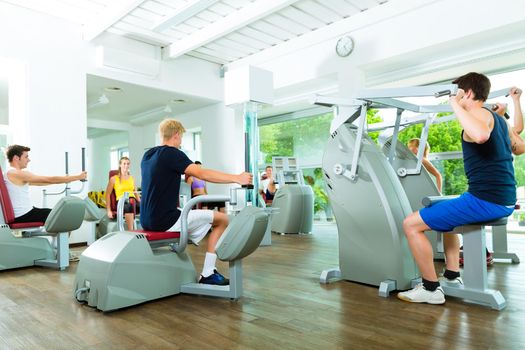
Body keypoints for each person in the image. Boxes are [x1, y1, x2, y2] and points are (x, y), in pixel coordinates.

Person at [398, 72, 517, 305]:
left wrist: (454, 102)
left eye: (458, 94)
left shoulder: (480, 114)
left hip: (486, 200)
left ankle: (431, 289)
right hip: (501, 199)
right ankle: (452, 276)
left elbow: (481, 135)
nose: (456, 99)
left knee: (410, 224)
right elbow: (518, 147)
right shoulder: (498, 119)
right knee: (442, 208)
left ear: (468, 93)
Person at [140, 119, 252, 285]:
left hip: (146, 220)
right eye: (181, 137)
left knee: (189, 214)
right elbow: (203, 174)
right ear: (177, 135)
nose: (181, 142)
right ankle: (208, 272)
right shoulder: (172, 153)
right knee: (223, 220)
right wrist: (236, 178)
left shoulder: (148, 155)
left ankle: (191, 248)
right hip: (165, 220)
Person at [4, 145, 87, 224]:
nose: (29, 160)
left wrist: (66, 179)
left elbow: (42, 182)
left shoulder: (11, 173)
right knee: (65, 217)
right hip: (23, 216)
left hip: (24, 214)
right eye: (26, 157)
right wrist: (78, 177)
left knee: (56, 214)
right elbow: (49, 180)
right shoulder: (16, 173)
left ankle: (58, 238)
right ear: (16, 158)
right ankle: (61, 239)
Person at [105, 156, 140, 230]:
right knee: (129, 205)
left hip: (133, 200)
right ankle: (131, 232)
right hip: (122, 201)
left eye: (128, 164)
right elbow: (107, 194)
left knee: (147, 206)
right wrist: (108, 210)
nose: (126, 166)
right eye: (124, 163)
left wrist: (141, 203)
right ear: (120, 165)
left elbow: (135, 193)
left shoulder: (132, 178)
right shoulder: (114, 179)